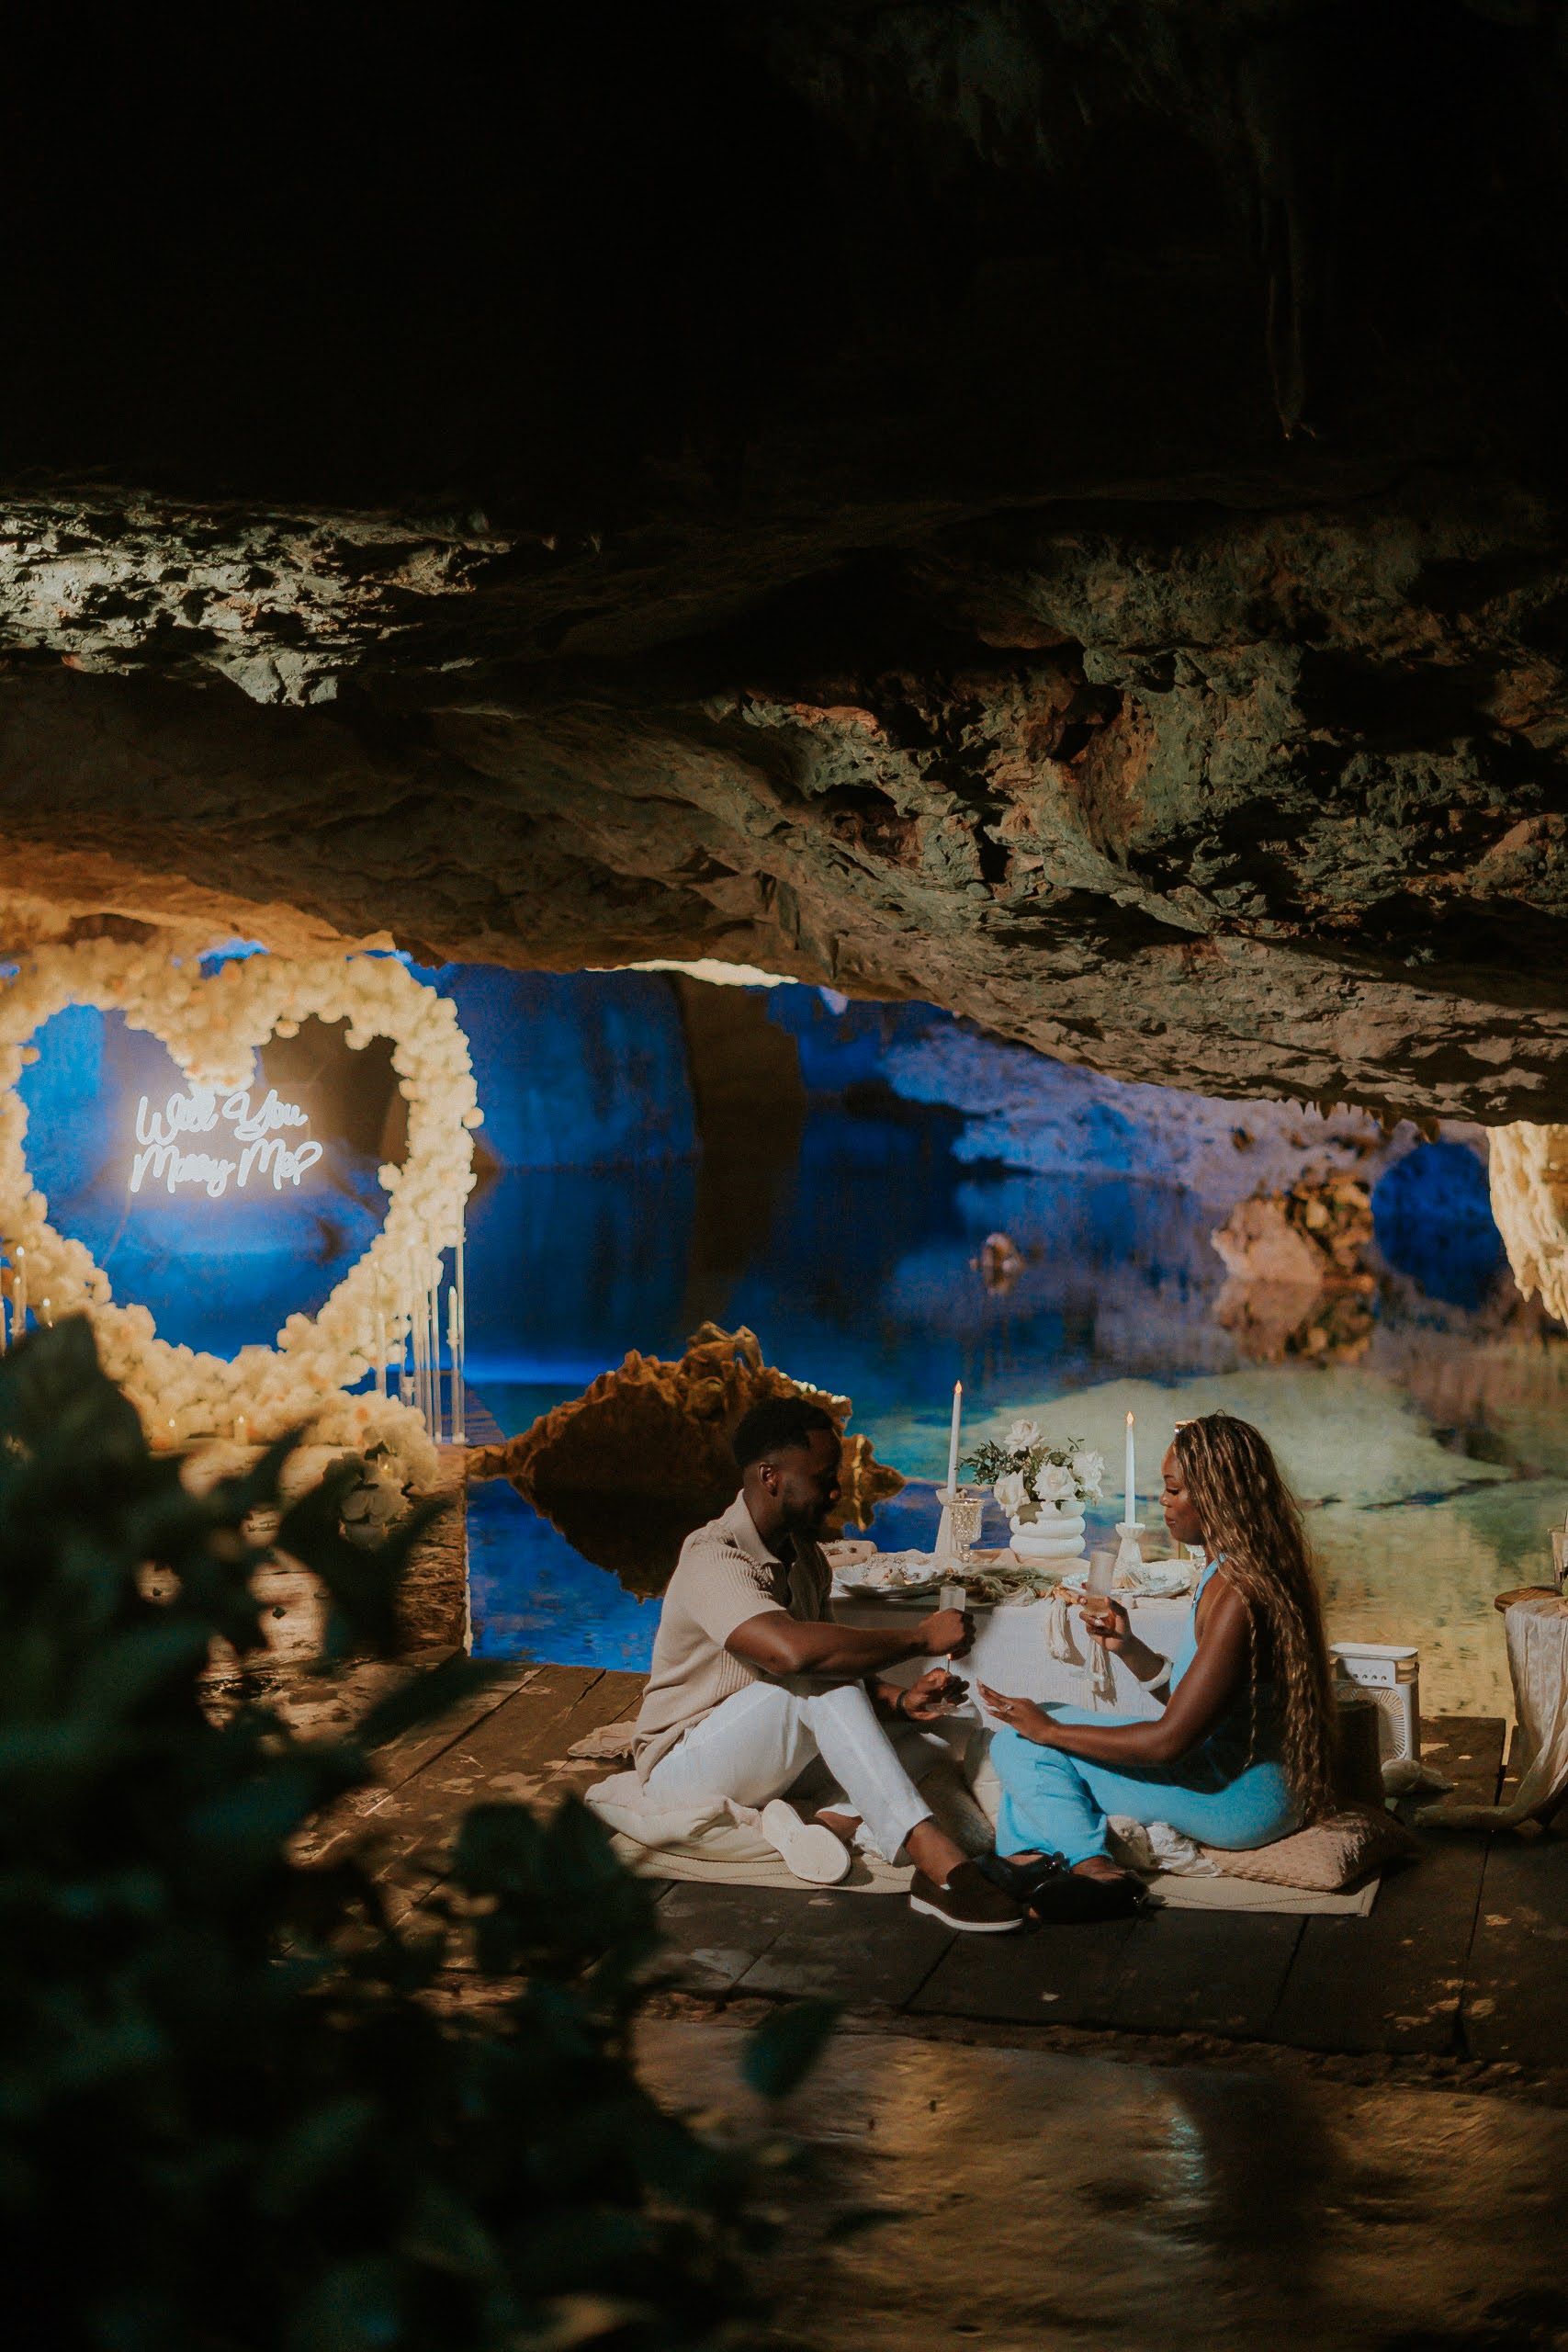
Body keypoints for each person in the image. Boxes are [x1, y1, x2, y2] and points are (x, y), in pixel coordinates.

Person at [633, 1394, 1025, 1932]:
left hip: (764, 1756)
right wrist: (918, 1638)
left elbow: (828, 1676)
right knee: (813, 1679)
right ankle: (939, 1868)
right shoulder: (713, 1556)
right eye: (823, 1478)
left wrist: (901, 1701)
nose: (837, 1491)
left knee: (937, 1742)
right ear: (770, 1477)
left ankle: (825, 1823)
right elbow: (792, 1656)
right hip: (685, 1767)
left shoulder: (807, 1559)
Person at [977, 1411, 1337, 1907]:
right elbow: (1203, 1706)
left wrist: (1049, 1733)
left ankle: (1093, 1869)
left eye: (1174, 1489)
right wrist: (1130, 1648)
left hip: (1239, 1800)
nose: (1164, 1501)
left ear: (1217, 1495)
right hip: (1242, 1780)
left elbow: (1170, 1742)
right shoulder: (1230, 1571)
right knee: (1038, 1726)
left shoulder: (1239, 1595)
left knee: (1022, 1744)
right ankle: (1030, 1858)